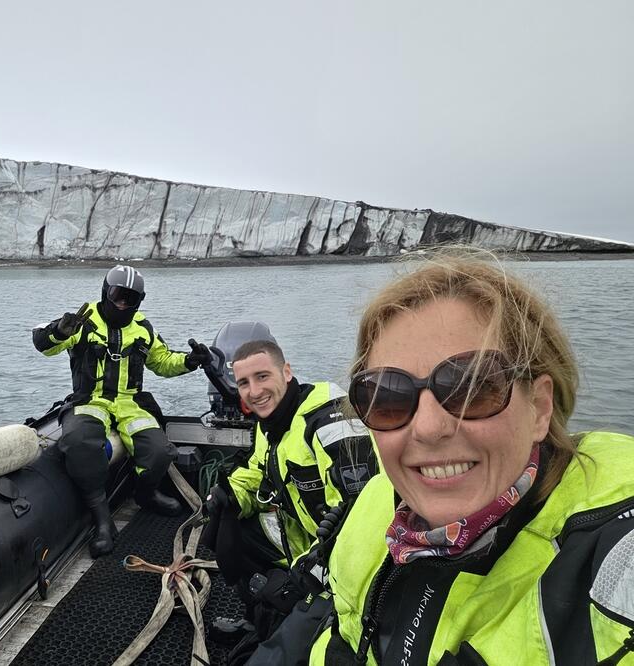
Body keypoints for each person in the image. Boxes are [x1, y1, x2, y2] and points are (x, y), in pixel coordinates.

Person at [302, 251, 634, 665]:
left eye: (472, 387)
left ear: (540, 408)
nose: (427, 427)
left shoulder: (610, 548)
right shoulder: (378, 509)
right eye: (388, 397)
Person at [201, 339, 378, 645]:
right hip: (304, 536)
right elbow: (258, 472)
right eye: (244, 382)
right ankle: (259, 622)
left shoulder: (327, 422)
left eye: (262, 376)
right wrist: (229, 495)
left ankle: (315, 623)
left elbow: (364, 519)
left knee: (290, 603)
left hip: (352, 555)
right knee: (230, 527)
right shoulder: (270, 423)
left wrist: (303, 578)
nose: (254, 392)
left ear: (286, 371)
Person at [32, 264, 212, 557]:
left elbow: (162, 361)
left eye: (131, 298)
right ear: (105, 292)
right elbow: (43, 342)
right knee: (79, 444)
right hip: (90, 400)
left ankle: (146, 493)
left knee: (160, 451)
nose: (123, 303)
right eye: (118, 295)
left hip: (130, 402)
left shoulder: (143, 327)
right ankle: (102, 519)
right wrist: (58, 331)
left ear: (139, 300)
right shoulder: (83, 320)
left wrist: (190, 361)